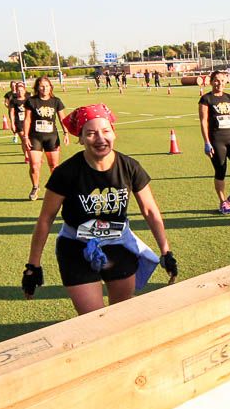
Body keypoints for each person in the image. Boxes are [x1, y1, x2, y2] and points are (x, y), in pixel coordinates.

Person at [22, 104, 177, 315]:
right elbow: (45, 219)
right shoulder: (66, 172)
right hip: (76, 246)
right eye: (91, 133)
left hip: (118, 244)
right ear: (81, 138)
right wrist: (33, 265)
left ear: (114, 133)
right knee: (93, 319)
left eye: (105, 131)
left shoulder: (129, 167)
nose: (100, 139)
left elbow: (149, 210)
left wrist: (166, 250)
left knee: (120, 314)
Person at [198, 71, 230, 214]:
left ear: (226, 82)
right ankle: (223, 202)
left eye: (222, 80)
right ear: (211, 82)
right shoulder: (206, 99)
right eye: (216, 80)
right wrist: (207, 142)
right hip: (216, 140)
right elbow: (203, 122)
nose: (219, 83)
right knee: (220, 171)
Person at [23, 75, 68, 201]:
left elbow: (62, 119)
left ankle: (56, 189)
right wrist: (25, 137)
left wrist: (66, 133)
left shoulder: (56, 101)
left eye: (47, 86)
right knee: (34, 165)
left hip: (51, 137)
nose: (44, 88)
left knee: (54, 165)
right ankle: (35, 187)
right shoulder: (31, 101)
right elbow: (27, 120)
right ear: (37, 87)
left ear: (50, 87)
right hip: (35, 137)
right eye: (42, 86)